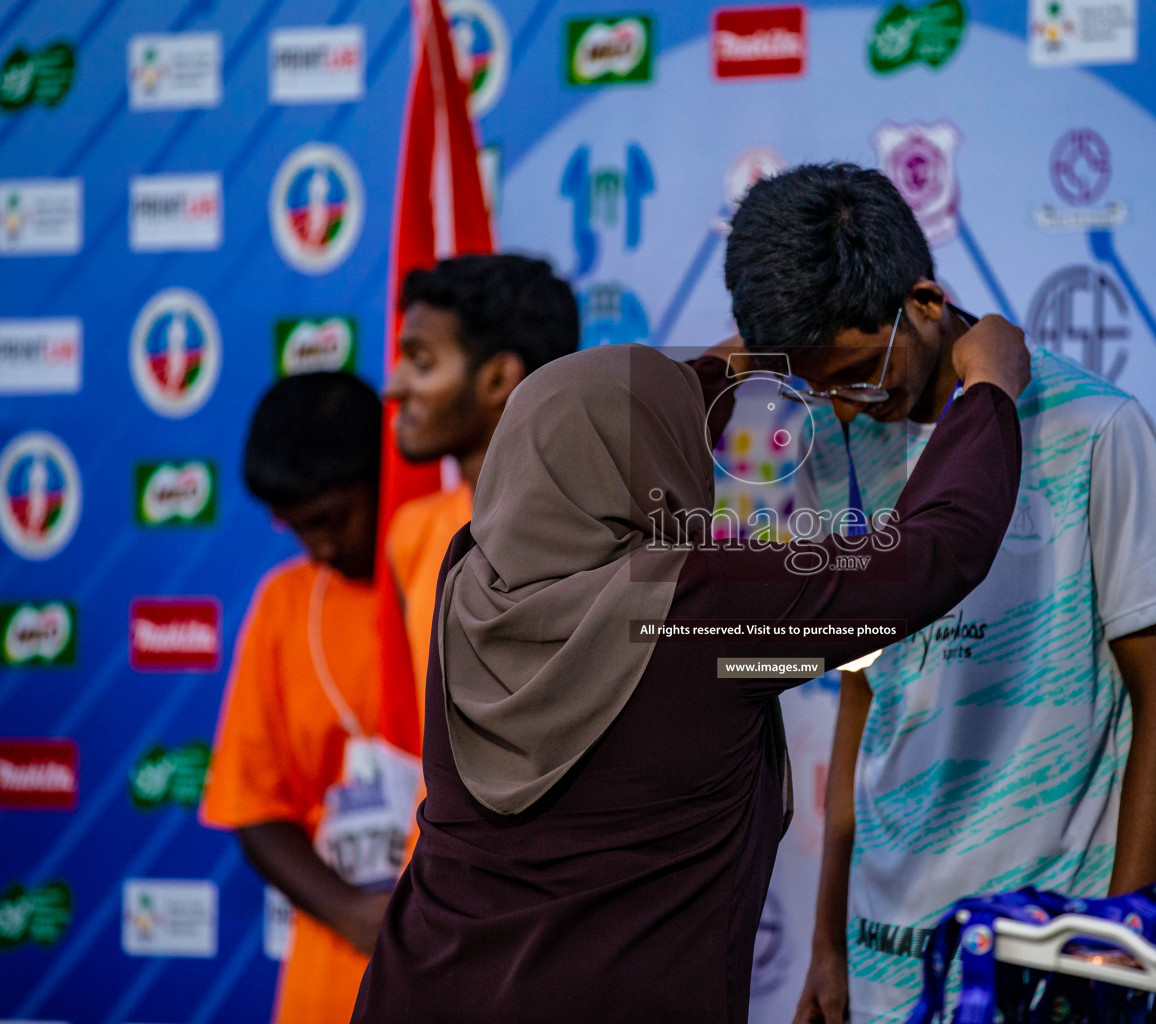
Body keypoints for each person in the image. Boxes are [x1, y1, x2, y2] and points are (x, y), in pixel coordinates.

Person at [350, 327, 1030, 1024]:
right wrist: (988, 389)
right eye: (679, 437)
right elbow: (933, 553)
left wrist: (741, 363)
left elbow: (603, 421)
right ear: (648, 462)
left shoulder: (465, 588)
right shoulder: (695, 609)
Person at [723, 163, 1156, 1024]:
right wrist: (829, 942)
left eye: (857, 375)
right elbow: (861, 698)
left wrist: (1124, 947)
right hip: (885, 958)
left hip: (1050, 954)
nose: (842, 410)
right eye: (818, 389)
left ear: (924, 301)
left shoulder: (1092, 429)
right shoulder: (840, 447)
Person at [201, 373, 419, 1024]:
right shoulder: (283, 603)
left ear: (384, 473)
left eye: (332, 519)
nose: (321, 546)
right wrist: (351, 914)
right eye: (300, 529)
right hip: (334, 977)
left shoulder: (452, 570)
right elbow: (253, 807)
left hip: (460, 955)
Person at [385, 254, 580, 704]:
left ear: (498, 379)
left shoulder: (599, 533)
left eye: (421, 361)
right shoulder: (411, 534)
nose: (394, 386)